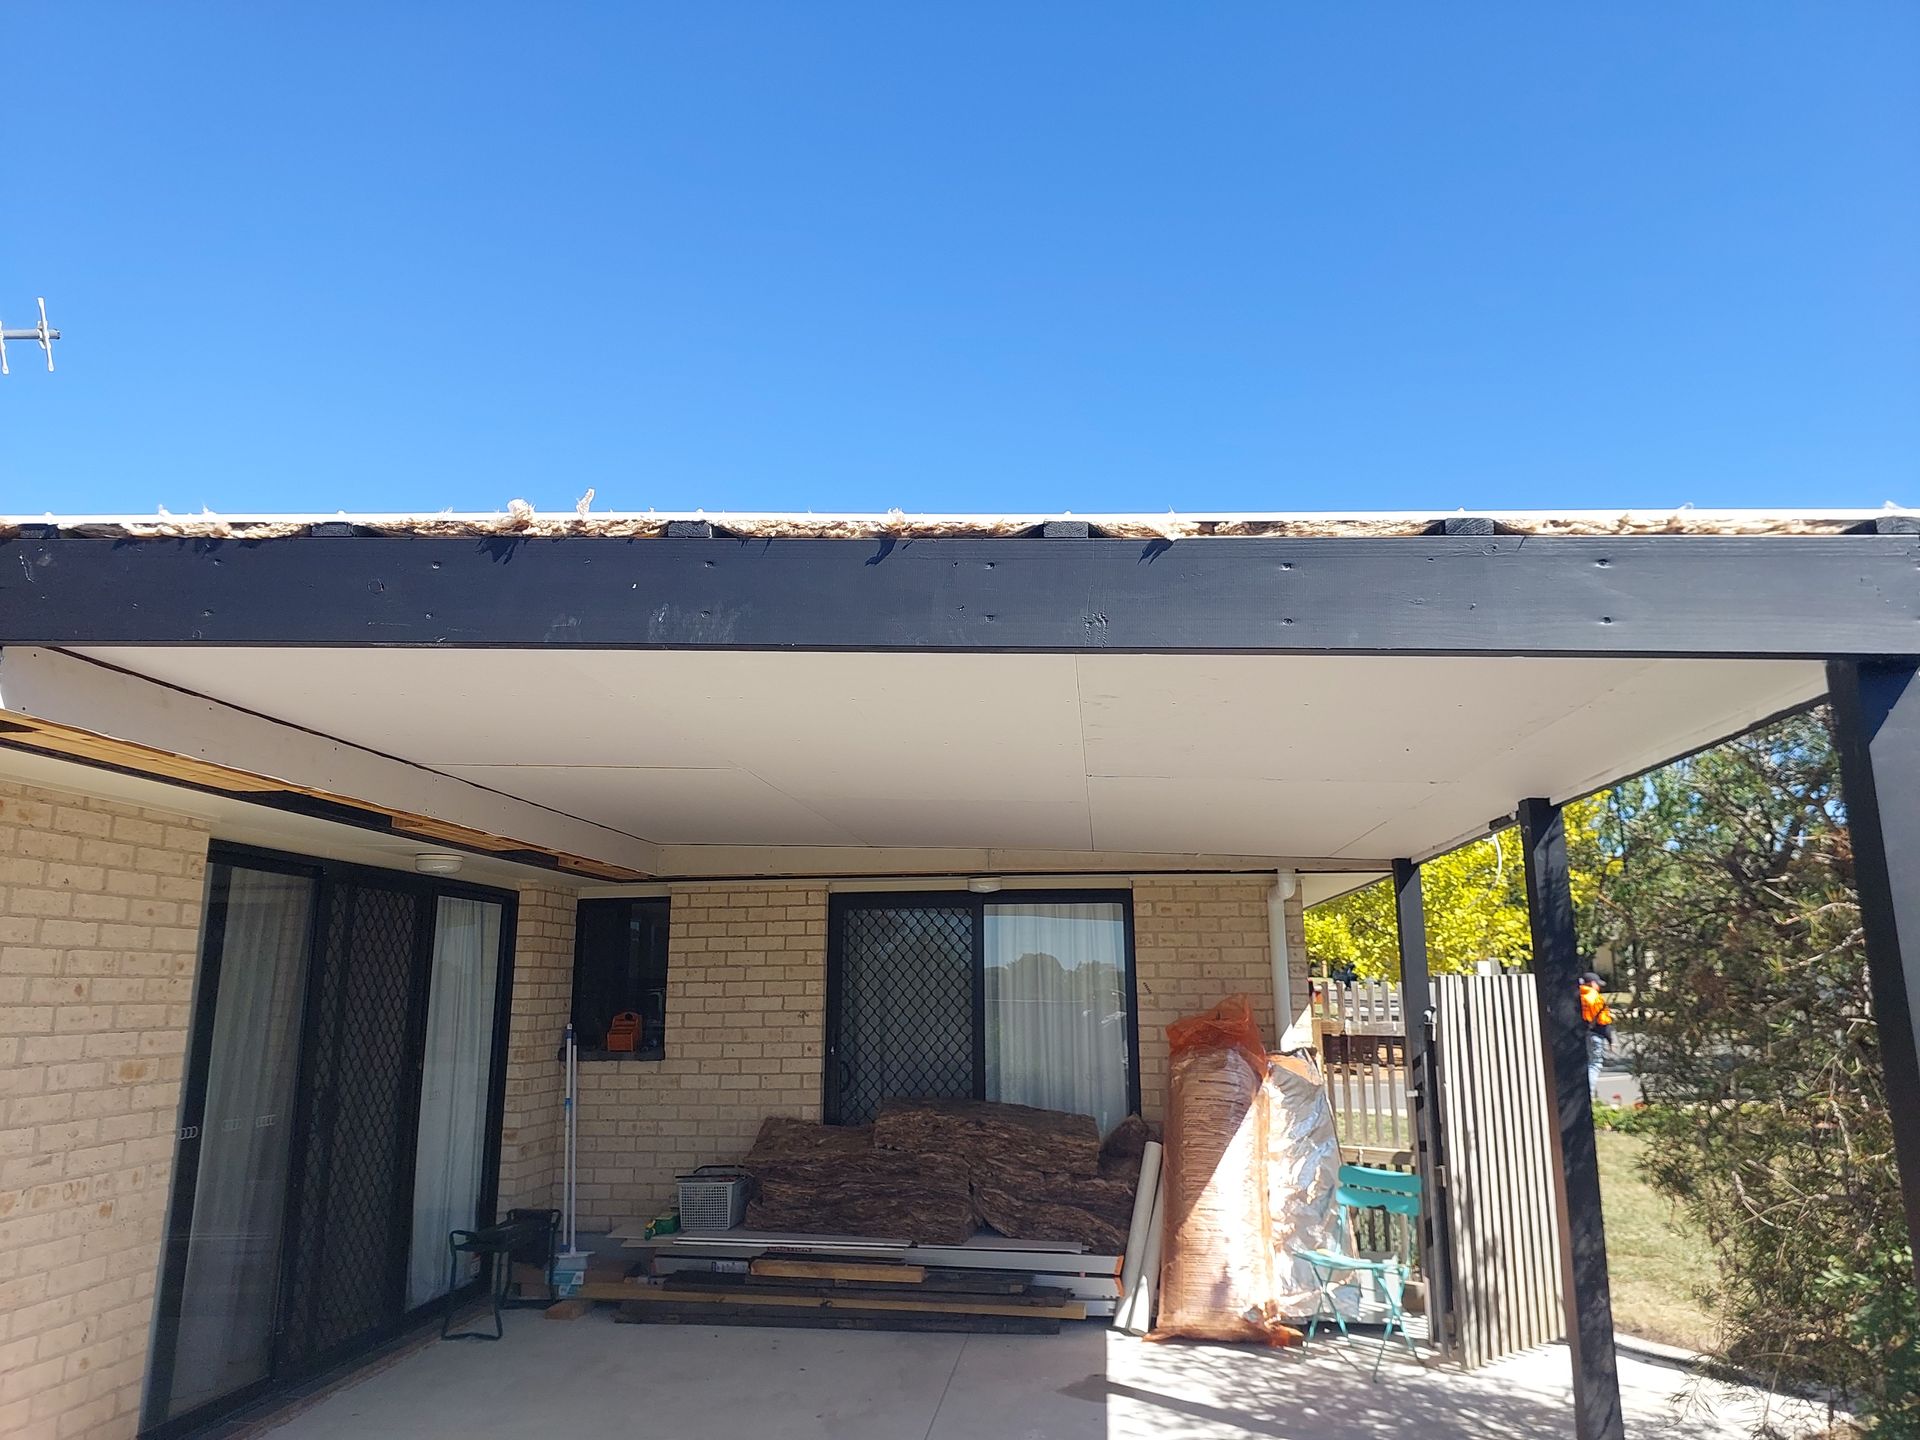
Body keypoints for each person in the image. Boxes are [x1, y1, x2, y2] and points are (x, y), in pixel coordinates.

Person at [1580, 970, 1614, 1095]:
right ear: (1592, 983)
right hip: (1596, 1034)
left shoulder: (1577, 996)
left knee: (1585, 1063)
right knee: (1595, 1064)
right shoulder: (1595, 998)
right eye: (1597, 984)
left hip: (1581, 1035)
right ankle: (1589, 1092)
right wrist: (1610, 1039)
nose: (1599, 987)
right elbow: (1603, 1021)